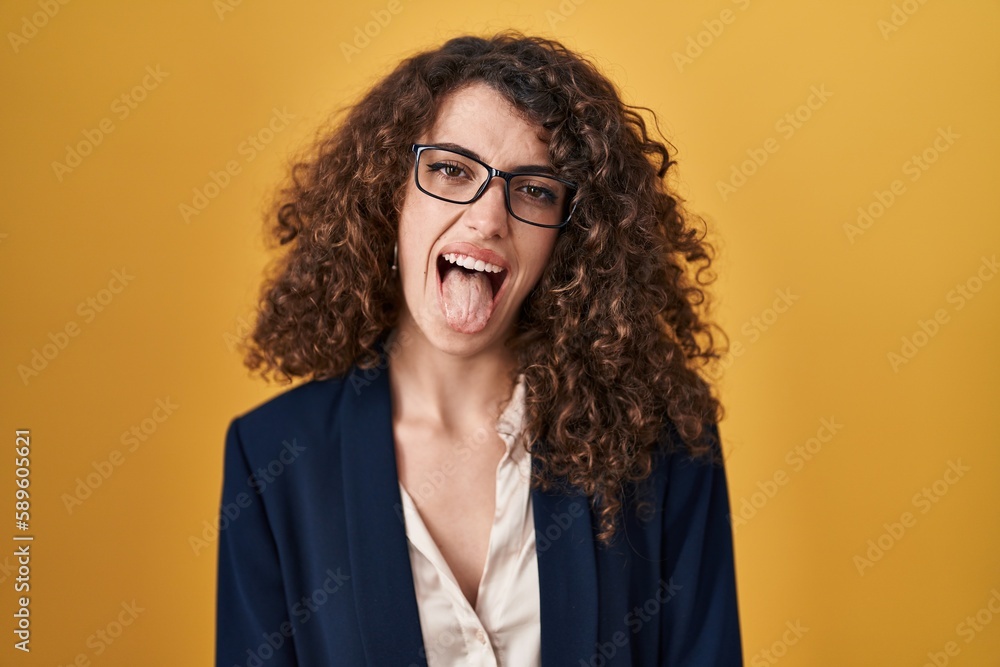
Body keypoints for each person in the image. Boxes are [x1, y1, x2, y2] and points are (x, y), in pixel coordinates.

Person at [215, 30, 742, 666]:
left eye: (536, 189)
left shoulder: (661, 445)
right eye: (449, 169)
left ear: (572, 243)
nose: (489, 217)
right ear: (391, 196)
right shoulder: (275, 456)